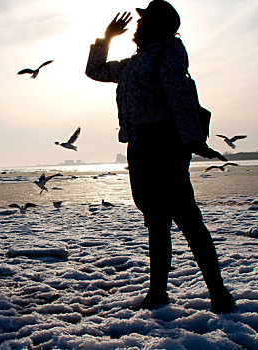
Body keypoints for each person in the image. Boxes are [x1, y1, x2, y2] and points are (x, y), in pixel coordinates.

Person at [85, 0, 235, 313]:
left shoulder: (168, 51)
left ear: (158, 26)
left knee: (189, 221)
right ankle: (157, 294)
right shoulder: (134, 62)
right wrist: (107, 37)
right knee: (155, 222)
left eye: (143, 21)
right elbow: (95, 70)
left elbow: (179, 94)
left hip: (165, 145)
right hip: (140, 146)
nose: (136, 26)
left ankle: (218, 293)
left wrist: (193, 140)